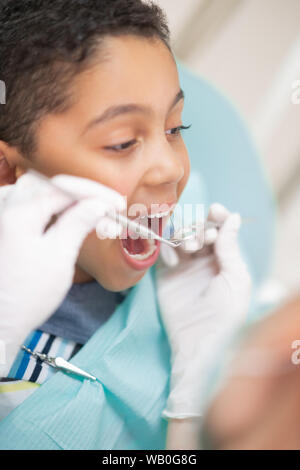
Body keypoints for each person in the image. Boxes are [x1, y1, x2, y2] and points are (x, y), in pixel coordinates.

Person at [0, 0, 251, 449]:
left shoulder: (190, 245)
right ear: (8, 171)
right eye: (121, 143)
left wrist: (193, 396)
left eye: (176, 128)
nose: (170, 169)